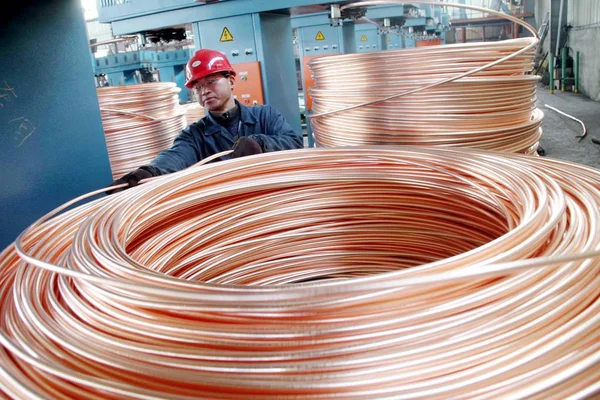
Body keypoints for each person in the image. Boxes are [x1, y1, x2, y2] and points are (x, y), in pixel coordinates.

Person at [107, 48, 303, 194]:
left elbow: (294, 142)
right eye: (198, 87)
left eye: (211, 81)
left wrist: (261, 143)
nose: (205, 91)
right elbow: (176, 157)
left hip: (274, 198)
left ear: (231, 81)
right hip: (228, 211)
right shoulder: (195, 135)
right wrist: (147, 173)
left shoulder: (264, 116)